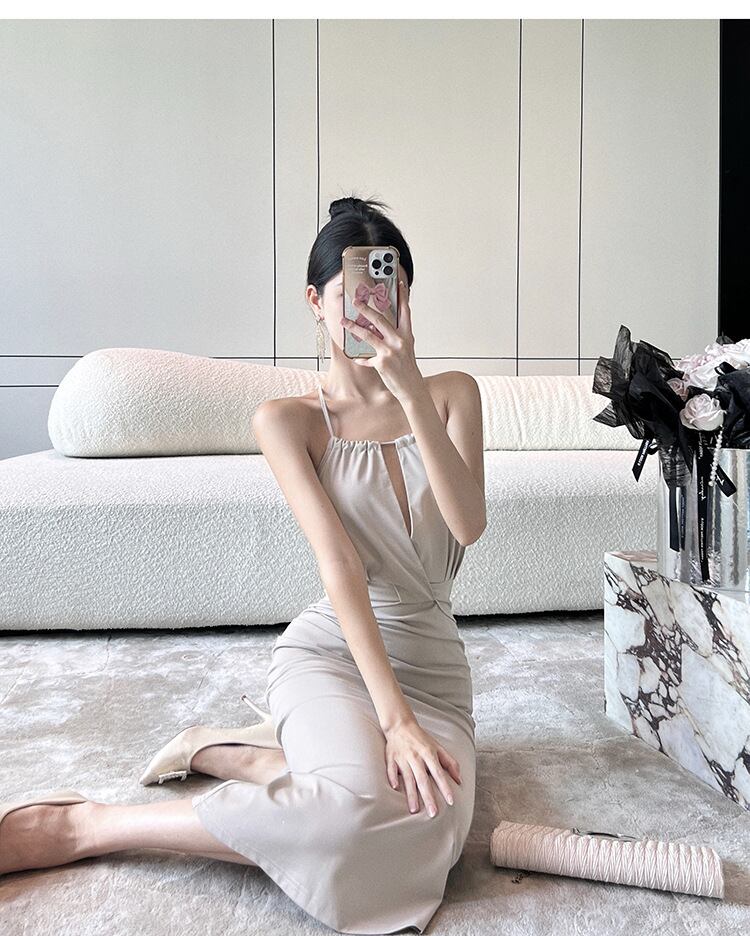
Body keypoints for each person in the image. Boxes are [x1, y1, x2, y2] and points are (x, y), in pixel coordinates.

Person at [0, 196, 486, 935]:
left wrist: (410, 386)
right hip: (336, 654)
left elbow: (468, 526)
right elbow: (340, 568)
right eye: (351, 292)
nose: (369, 307)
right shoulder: (288, 421)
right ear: (316, 301)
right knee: (355, 821)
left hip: (435, 669)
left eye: (386, 288)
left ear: (406, 297)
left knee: (431, 826)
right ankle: (88, 826)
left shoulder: (451, 395)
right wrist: (394, 722)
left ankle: (244, 757)